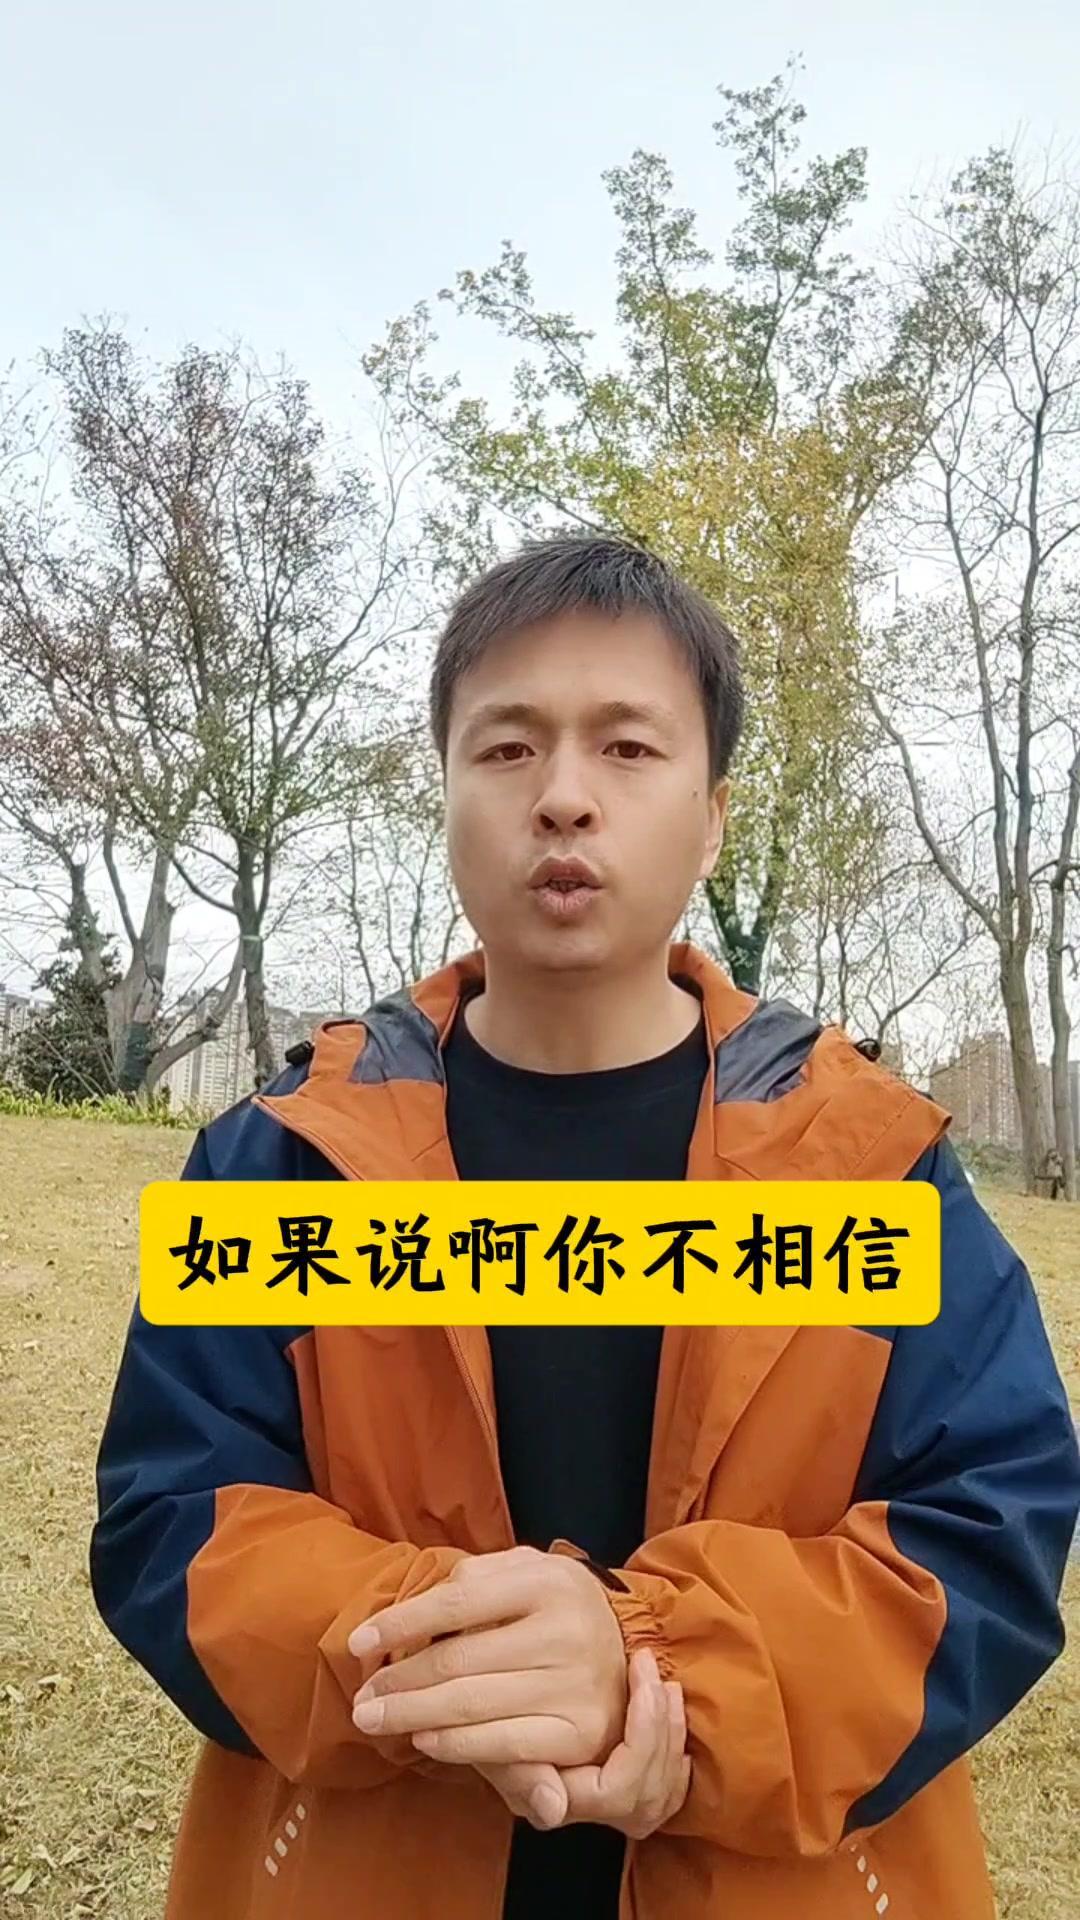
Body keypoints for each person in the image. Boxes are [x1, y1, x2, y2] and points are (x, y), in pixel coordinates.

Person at [91, 534, 1079, 1920]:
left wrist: (650, 1672)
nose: (563, 795)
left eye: (627, 747)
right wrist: (470, 1662)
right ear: (444, 794)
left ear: (712, 816)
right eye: (507, 749)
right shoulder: (277, 1166)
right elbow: (171, 1521)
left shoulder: (874, 1171)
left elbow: (988, 1536)